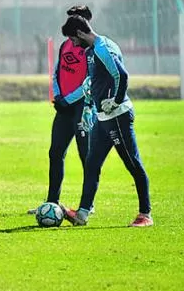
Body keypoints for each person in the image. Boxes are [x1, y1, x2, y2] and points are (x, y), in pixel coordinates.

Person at [61, 16, 153, 227]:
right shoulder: (91, 51)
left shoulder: (103, 47)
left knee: (132, 163)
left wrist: (116, 100)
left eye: (73, 40)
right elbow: (97, 80)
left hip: (117, 116)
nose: (73, 45)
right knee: (92, 164)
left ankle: (145, 214)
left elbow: (122, 74)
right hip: (103, 118)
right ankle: (82, 214)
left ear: (80, 34)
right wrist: (88, 107)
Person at [38, 5, 93, 210]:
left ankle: (88, 204)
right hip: (63, 106)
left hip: (82, 108)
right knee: (55, 153)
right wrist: (58, 95)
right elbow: (57, 72)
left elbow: (89, 82)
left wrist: (69, 99)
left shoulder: (92, 50)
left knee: (85, 155)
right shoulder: (65, 45)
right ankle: (52, 201)